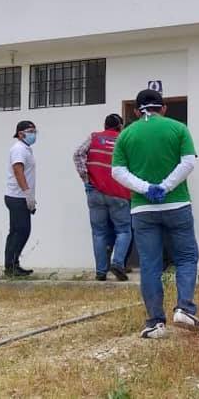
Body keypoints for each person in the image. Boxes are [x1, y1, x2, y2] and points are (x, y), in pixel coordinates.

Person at [111, 88, 199, 338]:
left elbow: (117, 171)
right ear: (163, 108)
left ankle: (155, 323)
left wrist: (146, 188)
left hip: (142, 209)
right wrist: (165, 186)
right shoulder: (178, 128)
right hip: (177, 205)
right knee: (186, 258)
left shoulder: (125, 135)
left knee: (150, 264)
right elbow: (188, 162)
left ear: (136, 111)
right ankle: (184, 308)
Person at [73, 113, 131, 282]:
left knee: (99, 233)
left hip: (95, 192)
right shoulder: (124, 141)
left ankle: (101, 271)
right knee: (124, 230)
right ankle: (118, 263)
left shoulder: (94, 137)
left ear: (105, 125)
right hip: (118, 192)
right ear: (120, 126)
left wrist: (86, 178)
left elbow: (78, 154)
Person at [4, 120, 38, 277]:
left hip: (19, 196)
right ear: (20, 133)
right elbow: (18, 171)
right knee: (22, 231)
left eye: (35, 131)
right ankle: (11, 265)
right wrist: (27, 193)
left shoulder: (26, 149)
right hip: (17, 196)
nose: (33, 134)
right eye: (30, 131)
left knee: (17, 232)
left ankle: (12, 264)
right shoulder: (18, 149)